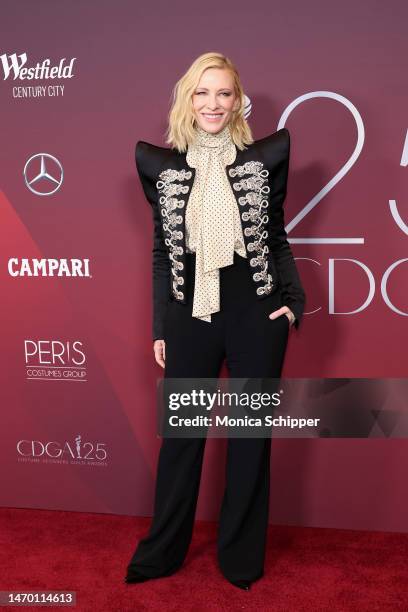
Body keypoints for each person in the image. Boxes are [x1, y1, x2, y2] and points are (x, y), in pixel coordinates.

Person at [125, 51, 306, 591]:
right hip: (189, 313)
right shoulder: (155, 162)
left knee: (251, 440)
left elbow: (275, 237)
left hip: (254, 310)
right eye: (202, 93)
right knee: (182, 439)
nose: (213, 103)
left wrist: (292, 301)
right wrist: (160, 325)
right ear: (186, 99)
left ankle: (240, 559)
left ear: (237, 100)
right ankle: (162, 553)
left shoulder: (271, 152)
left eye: (223, 93)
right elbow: (163, 252)